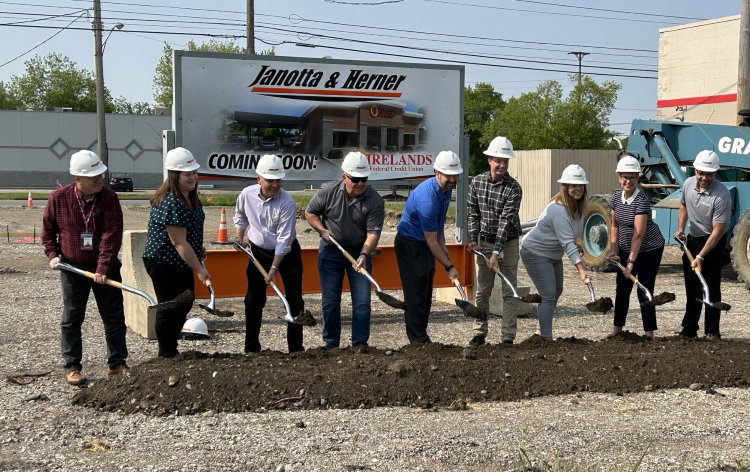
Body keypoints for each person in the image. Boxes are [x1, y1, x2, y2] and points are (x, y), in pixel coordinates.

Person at [42, 150, 128, 385]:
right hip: (72, 268)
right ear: (77, 179)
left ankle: (117, 363)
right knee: (71, 318)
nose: (99, 179)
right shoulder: (58, 199)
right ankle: (72, 367)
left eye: (100, 174)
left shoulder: (109, 198)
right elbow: (48, 231)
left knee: (113, 317)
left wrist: (102, 267)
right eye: (93, 177)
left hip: (105, 267)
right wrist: (52, 255)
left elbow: (111, 235)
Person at [305, 151, 385, 349]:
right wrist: (322, 230)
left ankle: (360, 345)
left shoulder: (375, 200)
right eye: (355, 179)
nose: (360, 183)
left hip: (359, 253)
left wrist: (365, 254)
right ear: (344, 177)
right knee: (330, 302)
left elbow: (373, 234)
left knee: (362, 303)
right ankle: (331, 344)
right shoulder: (328, 192)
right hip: (331, 253)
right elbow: (310, 212)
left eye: (364, 179)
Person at [142, 147, 210, 358]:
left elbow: (188, 234)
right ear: (175, 175)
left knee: (185, 302)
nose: (193, 177)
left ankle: (170, 349)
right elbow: (178, 242)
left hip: (181, 260)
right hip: (163, 261)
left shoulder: (190, 197)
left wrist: (198, 248)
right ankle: (166, 354)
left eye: (194, 173)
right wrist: (199, 269)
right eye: (187, 174)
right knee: (170, 307)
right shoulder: (171, 201)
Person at [234, 154, 304, 353]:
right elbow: (240, 215)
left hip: (287, 254)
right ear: (259, 179)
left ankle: (296, 349)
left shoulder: (287, 202)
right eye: (270, 180)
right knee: (253, 299)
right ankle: (251, 347)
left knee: (294, 299)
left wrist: (273, 268)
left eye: (278, 180)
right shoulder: (247, 195)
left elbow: (283, 240)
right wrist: (240, 237)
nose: (275, 184)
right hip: (257, 252)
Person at [395, 150, 463, 344]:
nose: (453, 179)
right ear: (437, 173)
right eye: (448, 175)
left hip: (425, 244)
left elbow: (438, 224)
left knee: (425, 294)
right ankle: (418, 341)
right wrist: (449, 266)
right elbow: (430, 239)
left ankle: (421, 337)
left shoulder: (446, 189)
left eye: (455, 174)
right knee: (416, 294)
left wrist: (444, 247)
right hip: (410, 244)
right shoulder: (428, 199)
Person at [520, 164, 590, 340]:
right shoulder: (558, 209)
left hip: (552, 253)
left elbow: (566, 236)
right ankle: (545, 337)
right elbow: (566, 243)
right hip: (535, 252)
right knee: (548, 293)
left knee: (557, 290)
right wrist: (581, 270)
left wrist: (575, 243)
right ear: (565, 187)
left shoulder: (578, 208)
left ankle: (540, 330)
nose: (577, 189)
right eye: (573, 185)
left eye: (580, 185)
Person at [466, 136, 522, 346]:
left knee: (509, 290)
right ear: (489, 159)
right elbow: (472, 213)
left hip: (507, 243)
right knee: (483, 289)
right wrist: (473, 239)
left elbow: (505, 222)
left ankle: (507, 337)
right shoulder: (477, 182)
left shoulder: (514, 188)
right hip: (484, 242)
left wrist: (497, 253)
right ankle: (479, 333)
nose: (502, 164)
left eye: (505, 161)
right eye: (498, 160)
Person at [606, 156, 665, 340]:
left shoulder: (641, 201)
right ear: (619, 177)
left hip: (649, 249)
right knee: (622, 289)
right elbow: (615, 226)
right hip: (625, 246)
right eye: (625, 177)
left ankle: (649, 333)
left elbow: (639, 234)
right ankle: (617, 330)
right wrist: (614, 250)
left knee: (643, 289)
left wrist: (630, 262)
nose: (628, 181)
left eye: (632, 177)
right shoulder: (616, 196)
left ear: (638, 178)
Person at [675, 150, 731, 339]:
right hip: (692, 239)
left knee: (710, 286)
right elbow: (683, 205)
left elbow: (718, 231)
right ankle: (689, 329)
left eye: (709, 174)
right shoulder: (688, 184)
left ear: (715, 173)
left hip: (713, 242)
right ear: (695, 170)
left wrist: (700, 256)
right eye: (700, 172)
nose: (704, 177)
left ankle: (712, 331)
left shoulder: (722, 195)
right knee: (692, 287)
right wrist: (681, 229)